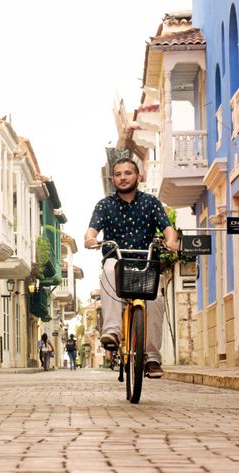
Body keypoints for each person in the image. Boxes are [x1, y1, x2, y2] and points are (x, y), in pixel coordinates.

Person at [84, 157, 179, 378]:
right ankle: (112, 332)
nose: (123, 177)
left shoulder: (150, 203)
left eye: (128, 173)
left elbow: (167, 228)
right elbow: (92, 230)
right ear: (113, 179)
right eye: (118, 174)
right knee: (108, 270)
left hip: (145, 261)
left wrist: (171, 240)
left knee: (155, 299)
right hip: (117, 259)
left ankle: (152, 357)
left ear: (138, 176)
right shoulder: (104, 205)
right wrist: (90, 239)